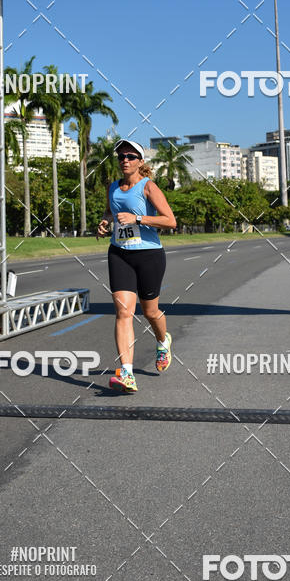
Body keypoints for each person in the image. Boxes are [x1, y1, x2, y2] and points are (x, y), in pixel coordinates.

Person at [97, 140, 176, 392]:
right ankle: (127, 374)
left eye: (131, 156)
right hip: (119, 253)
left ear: (140, 161)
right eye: (121, 156)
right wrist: (104, 221)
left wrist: (138, 218)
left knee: (150, 312)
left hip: (149, 255)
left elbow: (170, 221)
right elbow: (112, 212)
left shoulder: (148, 187)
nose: (125, 160)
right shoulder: (113, 187)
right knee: (123, 313)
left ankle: (162, 341)